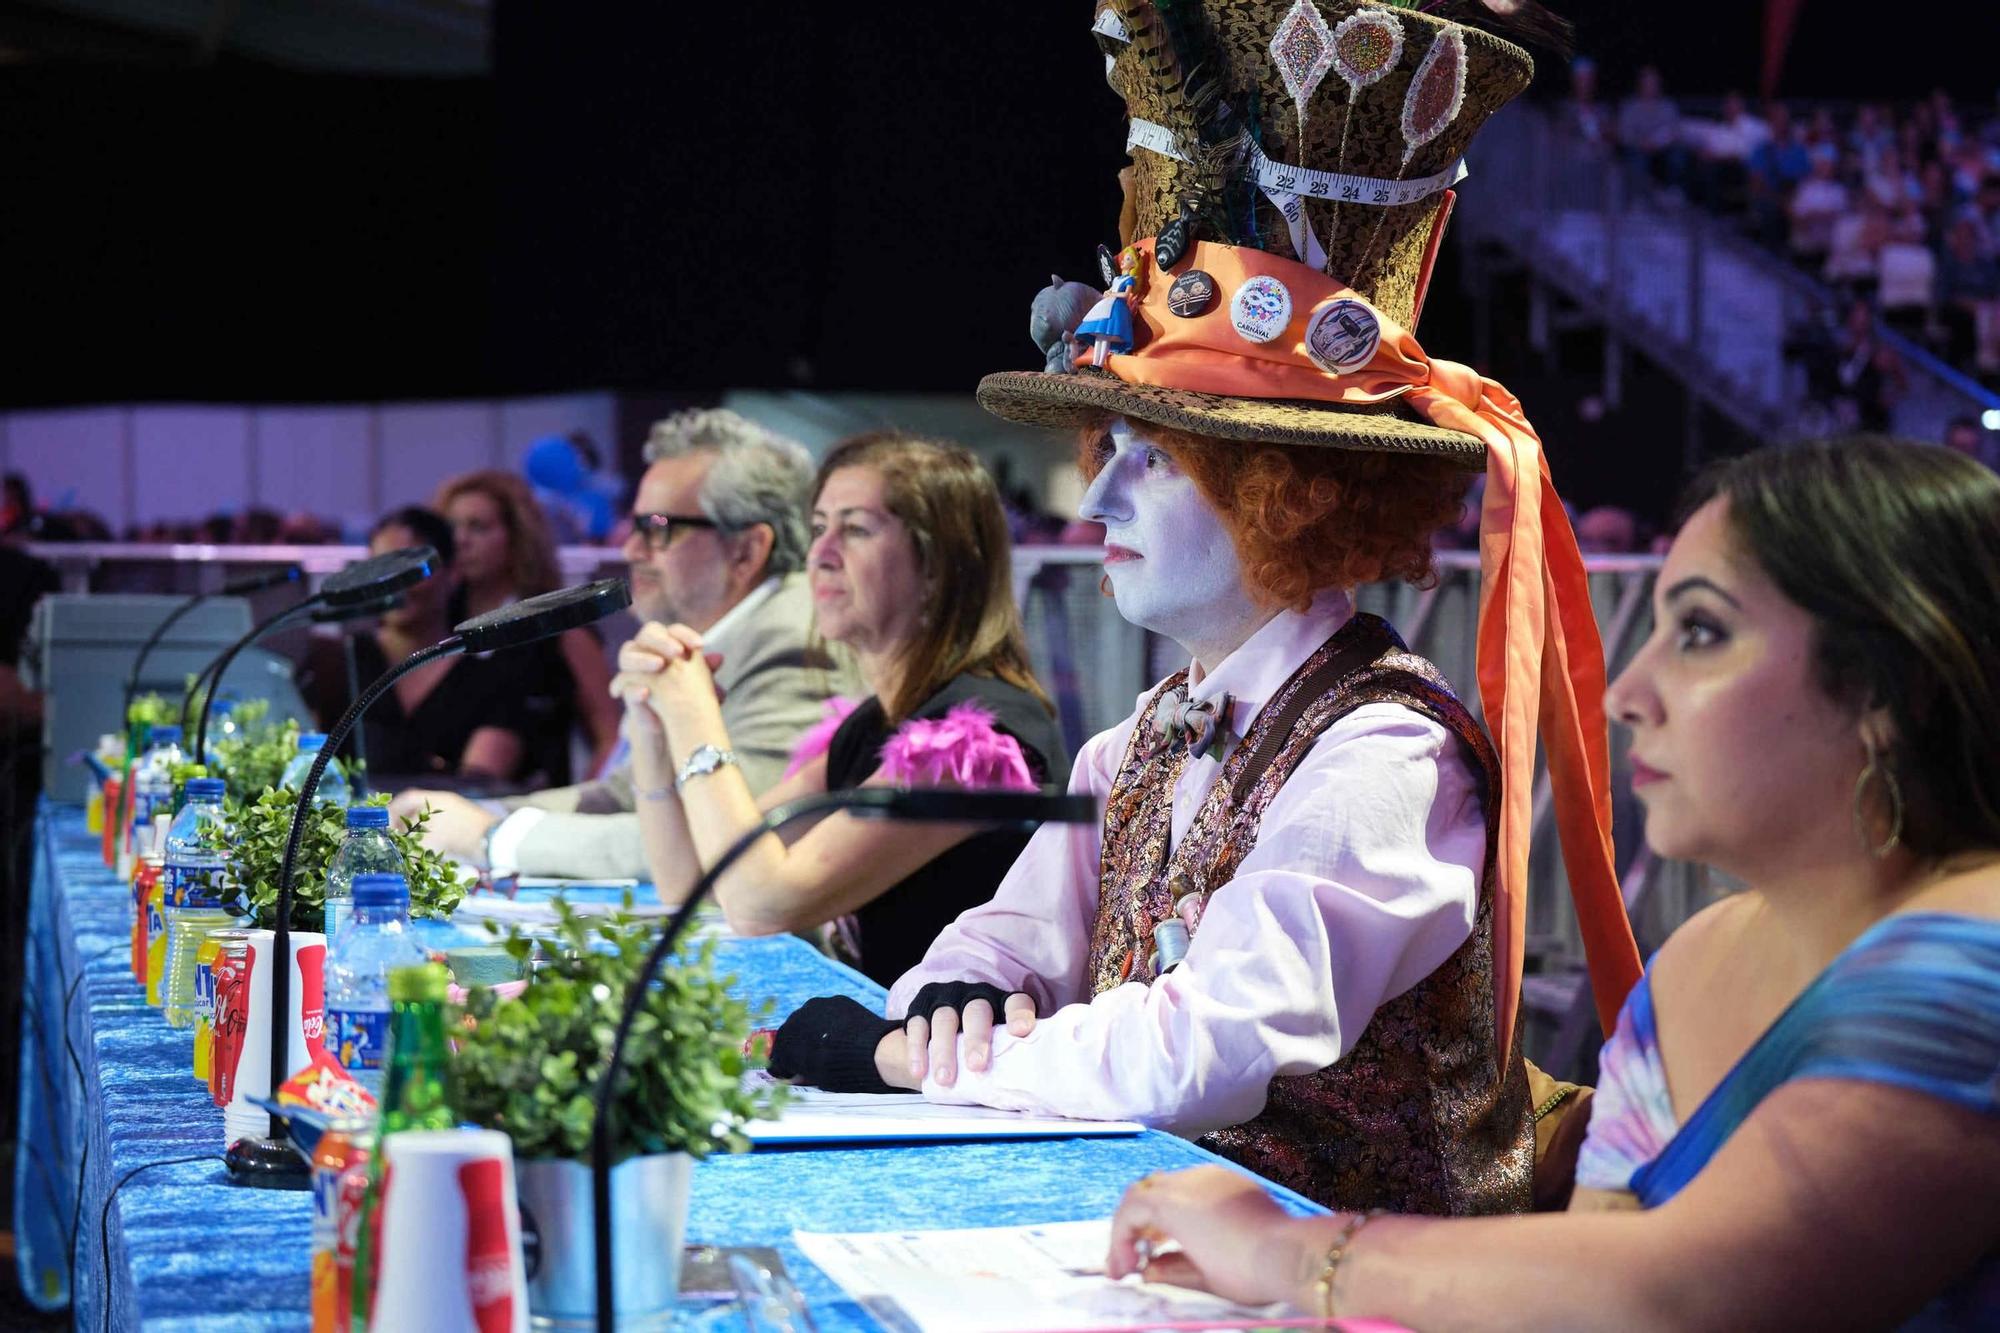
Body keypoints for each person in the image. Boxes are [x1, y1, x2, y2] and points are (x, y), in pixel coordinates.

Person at [762, 0, 1640, 1216]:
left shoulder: (1390, 751)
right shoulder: (1140, 739)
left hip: (1360, 1283)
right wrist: (949, 999)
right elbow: (996, 944)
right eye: (1105, 442)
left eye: (1159, 457)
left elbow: (1203, 1050)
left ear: (1296, 495)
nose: (1099, 489)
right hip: (1165, 1247)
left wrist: (902, 1056)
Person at [1104, 438, 2000, 1331]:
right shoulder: (1696, 957)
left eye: (1700, 631)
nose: (1627, 691)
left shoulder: (1974, 962)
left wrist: (1286, 1250)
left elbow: (1679, 1291)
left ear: (1899, 685)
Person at [611, 433, 1066, 984]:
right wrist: (654, 725)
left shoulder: (979, 742)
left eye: (854, 530)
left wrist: (694, 715)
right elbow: (691, 882)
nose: (821, 555)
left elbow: (764, 904)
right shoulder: (869, 726)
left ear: (938, 567)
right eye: (820, 527)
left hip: (954, 1062)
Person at [395, 408, 859, 881]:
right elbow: (621, 794)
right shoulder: (717, 635)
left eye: (657, 527)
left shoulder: (796, 644)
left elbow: (718, 844)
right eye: (634, 525)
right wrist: (464, 815)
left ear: (747, 550)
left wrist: (488, 837)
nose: (631, 550)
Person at [301, 507, 531, 781]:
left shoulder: (492, 677)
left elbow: (480, 783)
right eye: (380, 568)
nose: (394, 584)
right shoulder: (337, 662)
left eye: (409, 571)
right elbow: (299, 761)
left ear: (453, 572)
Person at [433, 468, 619, 786]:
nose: (460, 540)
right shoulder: (436, 623)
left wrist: (580, 810)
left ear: (517, 537)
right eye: (452, 527)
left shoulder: (562, 629)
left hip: (535, 811)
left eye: (478, 527)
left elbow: (610, 739)